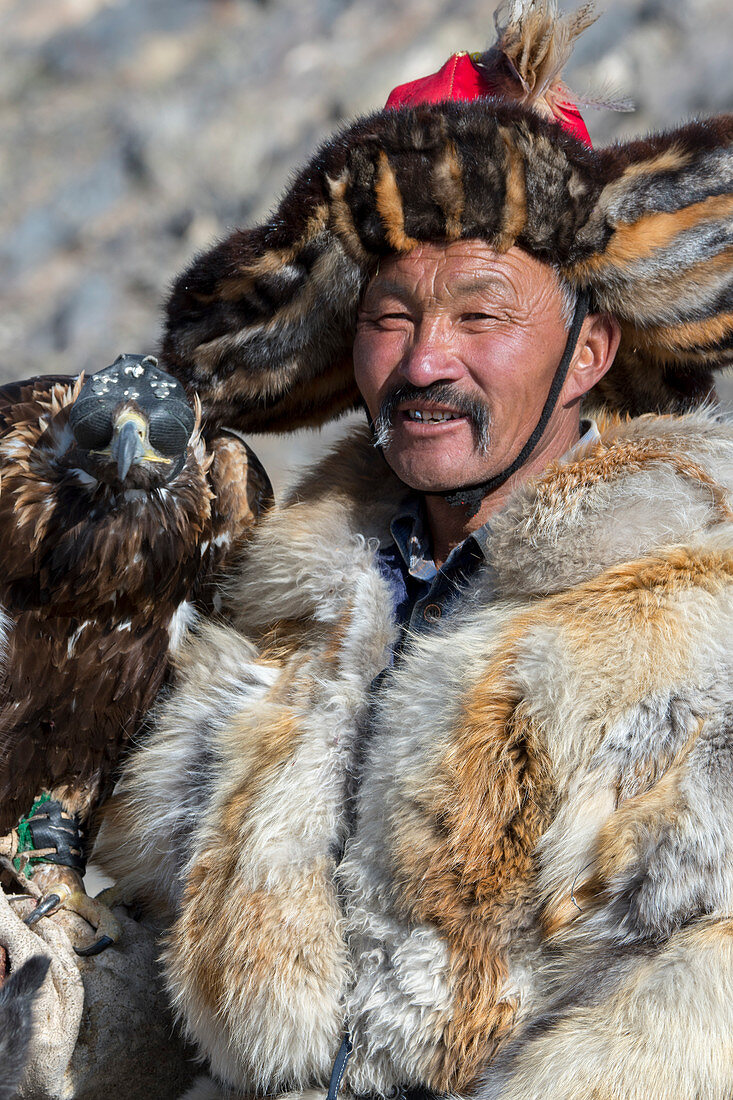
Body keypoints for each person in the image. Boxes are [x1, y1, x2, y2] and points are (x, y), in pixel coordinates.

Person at [89, 1, 733, 1098]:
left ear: (590, 352)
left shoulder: (682, 629)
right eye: (391, 316)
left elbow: (686, 1014)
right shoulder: (279, 613)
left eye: (482, 315)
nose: (426, 360)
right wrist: (50, 994)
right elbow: (170, 986)